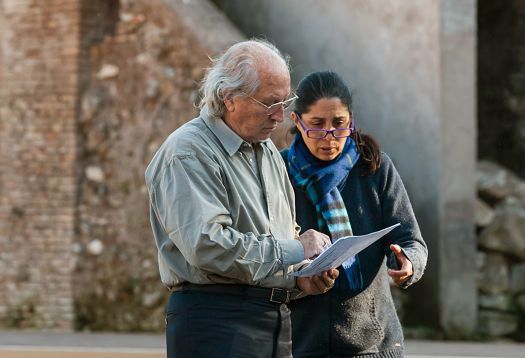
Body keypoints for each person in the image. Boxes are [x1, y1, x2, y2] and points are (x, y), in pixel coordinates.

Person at [145, 40, 339, 358]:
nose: (280, 116)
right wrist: (296, 249)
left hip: (276, 321)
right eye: (269, 103)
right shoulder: (188, 151)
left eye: (285, 101)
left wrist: (302, 276)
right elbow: (207, 245)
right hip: (215, 321)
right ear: (230, 98)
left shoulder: (269, 153)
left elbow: (278, 237)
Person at [281, 71, 428, 358]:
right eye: (317, 125)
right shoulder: (279, 172)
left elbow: (412, 240)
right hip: (299, 343)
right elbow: (268, 250)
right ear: (297, 122)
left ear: (351, 120)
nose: (329, 137)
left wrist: (408, 263)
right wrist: (299, 273)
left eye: (339, 124)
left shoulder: (374, 168)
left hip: (372, 344)